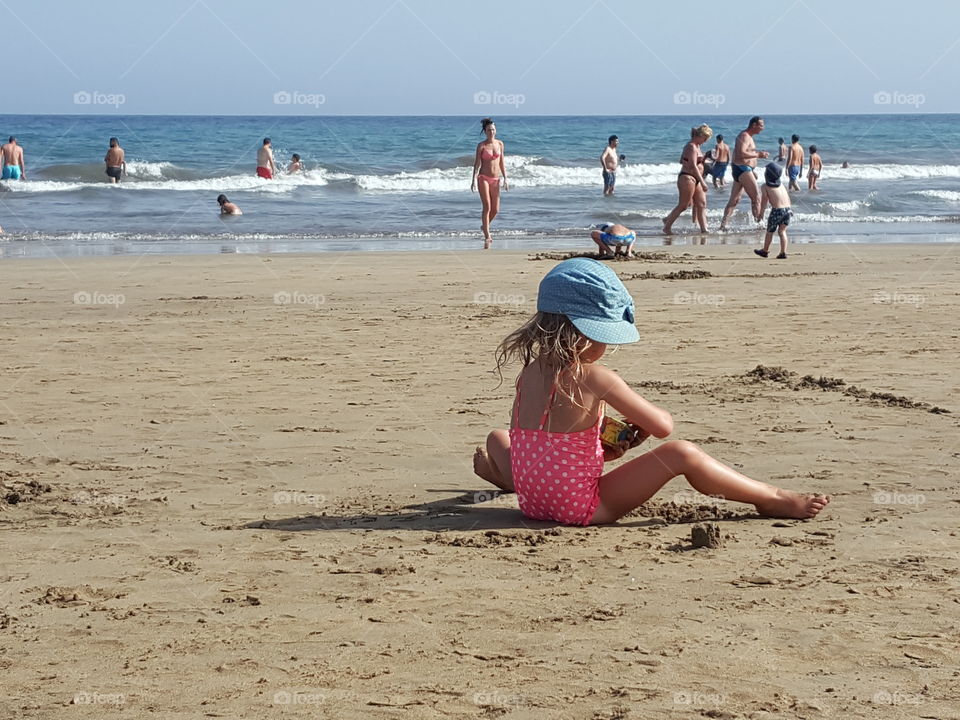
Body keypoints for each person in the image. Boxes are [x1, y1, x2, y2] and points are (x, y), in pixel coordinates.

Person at [472, 257, 830, 526]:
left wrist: (601, 446)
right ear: (585, 334)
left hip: (533, 504)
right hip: (582, 507)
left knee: (498, 437)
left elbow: (549, 439)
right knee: (681, 453)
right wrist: (640, 426)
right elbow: (663, 427)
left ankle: (503, 477)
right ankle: (770, 497)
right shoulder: (597, 377)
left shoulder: (529, 373)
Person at [719, 117, 770, 231]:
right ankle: (759, 225)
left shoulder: (748, 136)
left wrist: (753, 168)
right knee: (757, 197)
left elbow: (746, 153)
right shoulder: (744, 136)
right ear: (754, 125)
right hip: (742, 169)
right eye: (761, 125)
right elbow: (741, 153)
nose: (763, 128)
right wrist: (758, 155)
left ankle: (723, 226)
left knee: (735, 200)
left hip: (743, 169)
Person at [662, 124, 712, 235]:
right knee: (684, 205)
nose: (705, 141)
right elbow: (693, 165)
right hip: (688, 177)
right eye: (705, 138)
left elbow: (682, 160)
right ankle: (667, 227)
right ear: (700, 135)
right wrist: (703, 182)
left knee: (701, 203)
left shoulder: (697, 146)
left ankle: (704, 229)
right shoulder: (691, 146)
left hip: (695, 178)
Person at [471, 118, 508, 249]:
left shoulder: (500, 144)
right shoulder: (481, 146)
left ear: (495, 130)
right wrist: (473, 180)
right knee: (487, 206)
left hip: (496, 179)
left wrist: (506, 178)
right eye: (489, 130)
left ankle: (484, 226)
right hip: (483, 178)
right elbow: (477, 164)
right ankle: (487, 235)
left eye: (493, 130)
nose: (491, 132)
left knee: (495, 209)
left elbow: (502, 162)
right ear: (485, 132)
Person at [754, 163, 792, 259]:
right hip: (788, 210)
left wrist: (761, 214)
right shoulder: (781, 185)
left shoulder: (765, 186)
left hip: (777, 211)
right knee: (782, 231)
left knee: (770, 231)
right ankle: (783, 252)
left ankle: (765, 250)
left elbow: (764, 201)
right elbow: (788, 199)